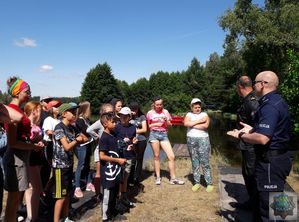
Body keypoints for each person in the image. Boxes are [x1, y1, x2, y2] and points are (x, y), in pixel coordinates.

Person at [227, 71, 292, 222]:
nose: (253, 85)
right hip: (278, 160)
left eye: (255, 82)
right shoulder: (277, 101)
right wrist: (252, 129)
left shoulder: (269, 106)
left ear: (263, 84)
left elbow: (263, 138)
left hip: (271, 163)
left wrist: (241, 135)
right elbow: (272, 130)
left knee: (270, 212)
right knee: (278, 208)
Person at [3, 77, 44, 222]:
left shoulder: (17, 110)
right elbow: (13, 142)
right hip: (16, 159)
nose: (30, 94)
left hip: (20, 158)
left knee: (15, 199)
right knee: (13, 200)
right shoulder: (12, 111)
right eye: (27, 91)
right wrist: (33, 146)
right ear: (17, 92)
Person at [52, 103, 88, 222]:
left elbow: (85, 138)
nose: (74, 114)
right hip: (59, 167)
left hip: (69, 165)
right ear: (63, 114)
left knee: (67, 194)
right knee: (60, 196)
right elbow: (67, 147)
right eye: (72, 112)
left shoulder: (72, 127)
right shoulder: (59, 128)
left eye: (75, 111)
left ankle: (65, 217)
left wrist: (82, 137)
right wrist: (77, 140)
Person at [146, 96, 184, 185]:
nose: (159, 106)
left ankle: (173, 179)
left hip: (163, 135)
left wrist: (166, 120)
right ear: (154, 105)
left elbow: (169, 124)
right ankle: (158, 177)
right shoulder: (150, 113)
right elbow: (149, 126)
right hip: (154, 134)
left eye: (160, 104)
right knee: (156, 156)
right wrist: (157, 123)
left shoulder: (165, 112)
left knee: (171, 156)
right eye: (157, 104)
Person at [235, 76, 259, 208]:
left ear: (240, 87)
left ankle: (256, 205)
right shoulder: (248, 99)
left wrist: (247, 133)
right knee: (247, 173)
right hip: (246, 143)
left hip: (252, 146)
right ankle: (253, 202)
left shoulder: (252, 101)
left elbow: (260, 124)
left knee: (251, 174)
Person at [99, 112, 126, 222]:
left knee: (114, 193)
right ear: (105, 124)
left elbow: (116, 149)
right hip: (108, 173)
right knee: (108, 195)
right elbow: (102, 156)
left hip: (115, 171)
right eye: (113, 122)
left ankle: (113, 212)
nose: (115, 124)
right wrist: (117, 160)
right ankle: (105, 217)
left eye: (116, 121)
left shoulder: (113, 135)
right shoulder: (104, 138)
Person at [184, 98, 213, 193]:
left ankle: (209, 183)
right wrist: (199, 121)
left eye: (199, 107)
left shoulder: (204, 114)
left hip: (203, 139)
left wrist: (191, 124)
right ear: (191, 107)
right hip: (191, 139)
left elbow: (206, 126)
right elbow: (185, 123)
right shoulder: (188, 114)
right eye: (195, 107)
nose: (197, 109)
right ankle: (197, 182)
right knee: (194, 161)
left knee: (205, 161)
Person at [86, 103, 114, 201]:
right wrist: (97, 138)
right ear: (102, 113)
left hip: (109, 150)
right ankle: (98, 194)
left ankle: (109, 191)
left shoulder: (112, 121)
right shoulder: (100, 122)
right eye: (109, 112)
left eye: (112, 112)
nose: (111, 114)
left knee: (109, 172)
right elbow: (89, 130)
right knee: (99, 173)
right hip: (100, 150)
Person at [23, 101, 44, 221]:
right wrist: (36, 143)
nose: (41, 114)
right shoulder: (29, 126)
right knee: (36, 189)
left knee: (30, 189)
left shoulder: (34, 126)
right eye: (39, 111)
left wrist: (40, 142)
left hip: (34, 158)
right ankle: (33, 217)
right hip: (31, 159)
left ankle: (30, 216)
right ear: (33, 111)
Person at [114, 107, 137, 207]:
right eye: (121, 116)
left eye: (125, 116)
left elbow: (133, 141)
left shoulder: (133, 127)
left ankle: (123, 197)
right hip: (119, 157)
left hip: (129, 156)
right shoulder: (116, 127)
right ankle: (117, 198)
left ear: (129, 117)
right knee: (119, 178)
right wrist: (122, 142)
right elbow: (113, 142)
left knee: (126, 178)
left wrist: (134, 143)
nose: (122, 117)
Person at [74, 101, 95, 198]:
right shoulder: (79, 120)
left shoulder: (87, 120)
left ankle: (88, 183)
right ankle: (77, 187)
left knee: (87, 164)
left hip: (88, 144)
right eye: (89, 108)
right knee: (81, 165)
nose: (90, 110)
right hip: (81, 146)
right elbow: (86, 131)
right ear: (85, 109)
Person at [129, 101, 147, 186]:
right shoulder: (128, 117)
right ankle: (130, 177)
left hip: (141, 140)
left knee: (139, 159)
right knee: (132, 159)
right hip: (132, 140)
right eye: (133, 109)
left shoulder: (142, 117)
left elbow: (144, 129)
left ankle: (137, 177)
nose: (134, 110)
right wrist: (130, 116)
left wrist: (133, 131)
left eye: (136, 108)